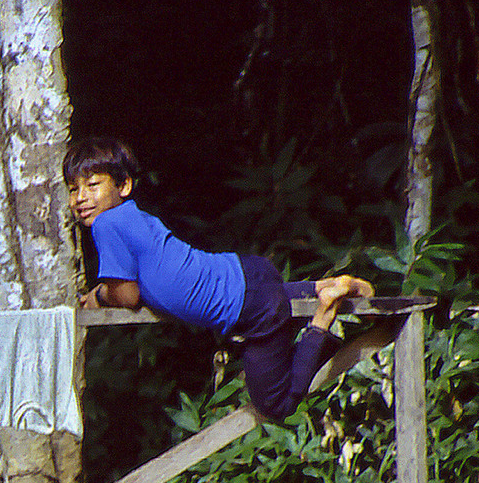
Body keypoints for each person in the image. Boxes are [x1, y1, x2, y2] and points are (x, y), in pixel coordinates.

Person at [65, 136, 382, 421]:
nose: (81, 198)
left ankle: (323, 315)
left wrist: (100, 296)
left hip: (252, 309)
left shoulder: (106, 224)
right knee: (267, 297)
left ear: (124, 186)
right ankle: (324, 286)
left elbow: (128, 296)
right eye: (73, 189)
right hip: (247, 274)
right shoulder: (135, 215)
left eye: (92, 186)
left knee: (275, 405)